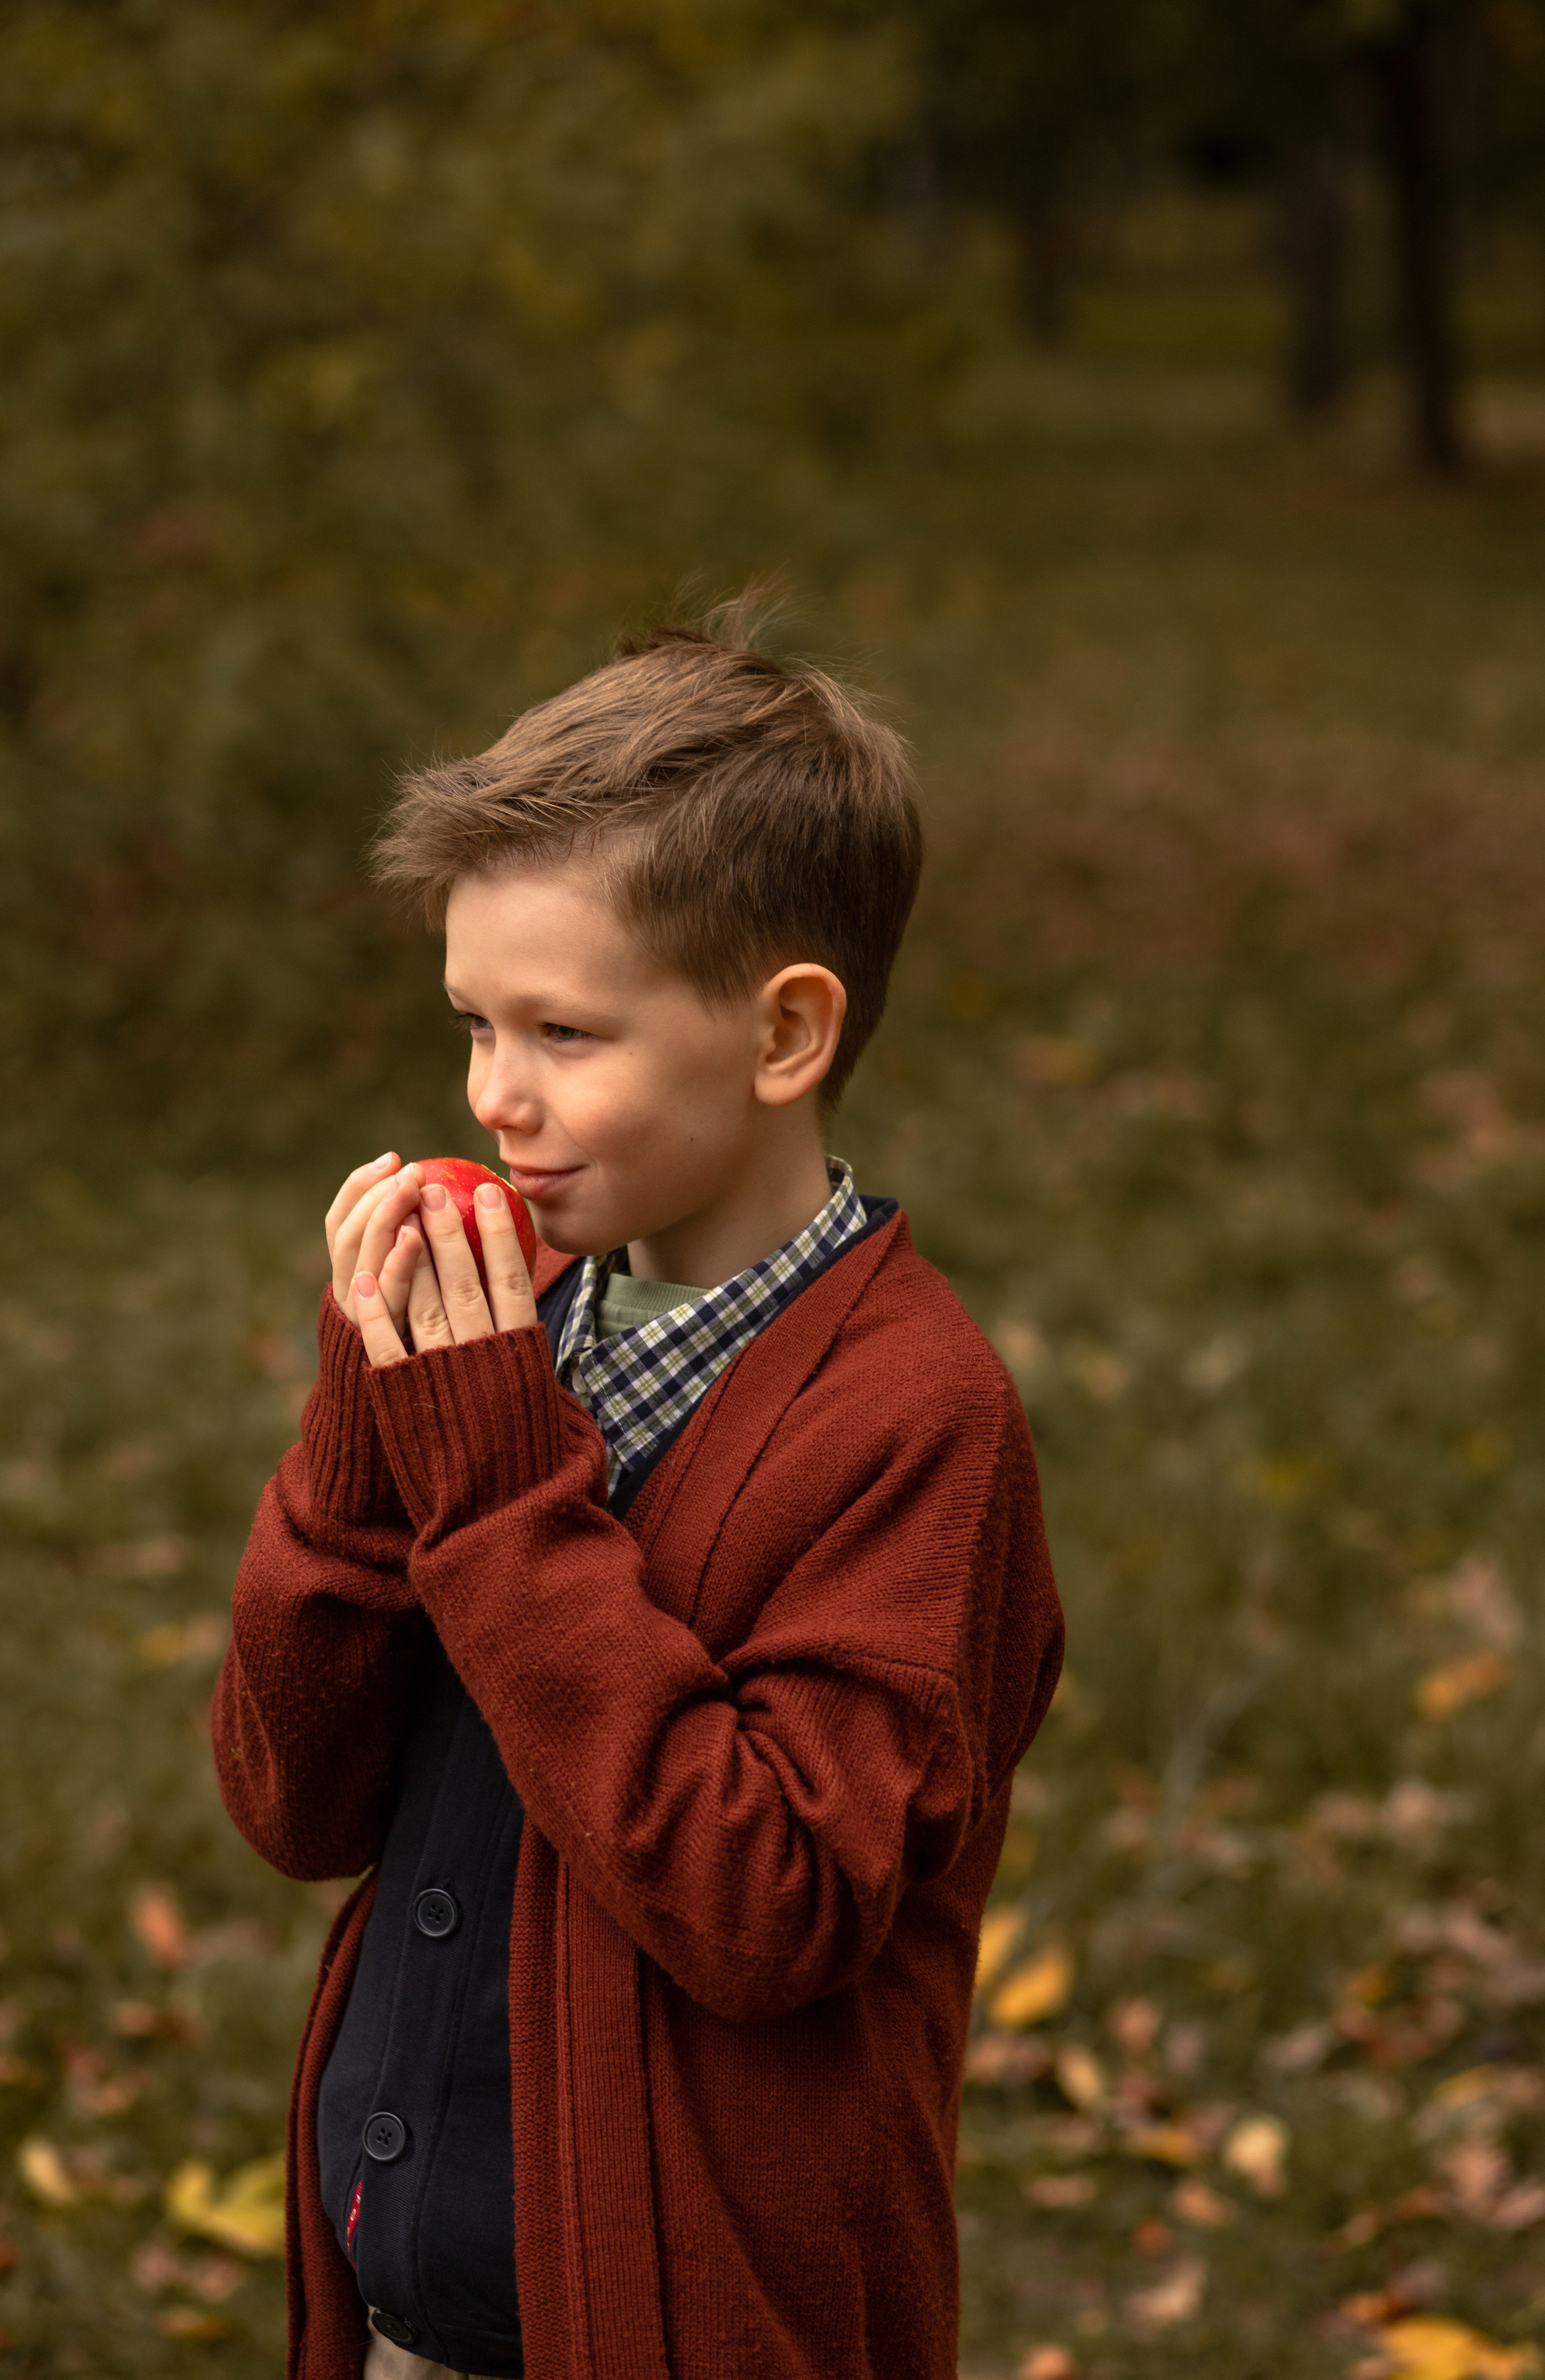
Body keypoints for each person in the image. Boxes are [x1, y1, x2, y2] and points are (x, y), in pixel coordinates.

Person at [213, 607, 1064, 2380]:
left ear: (783, 1035)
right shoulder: (506, 1341)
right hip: (394, 2319)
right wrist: (373, 1437)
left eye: (565, 1034)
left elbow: (770, 1906)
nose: (493, 1097)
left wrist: (502, 1484)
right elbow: (295, 1803)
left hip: (696, 2327)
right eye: (471, 1024)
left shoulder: (918, 1426)